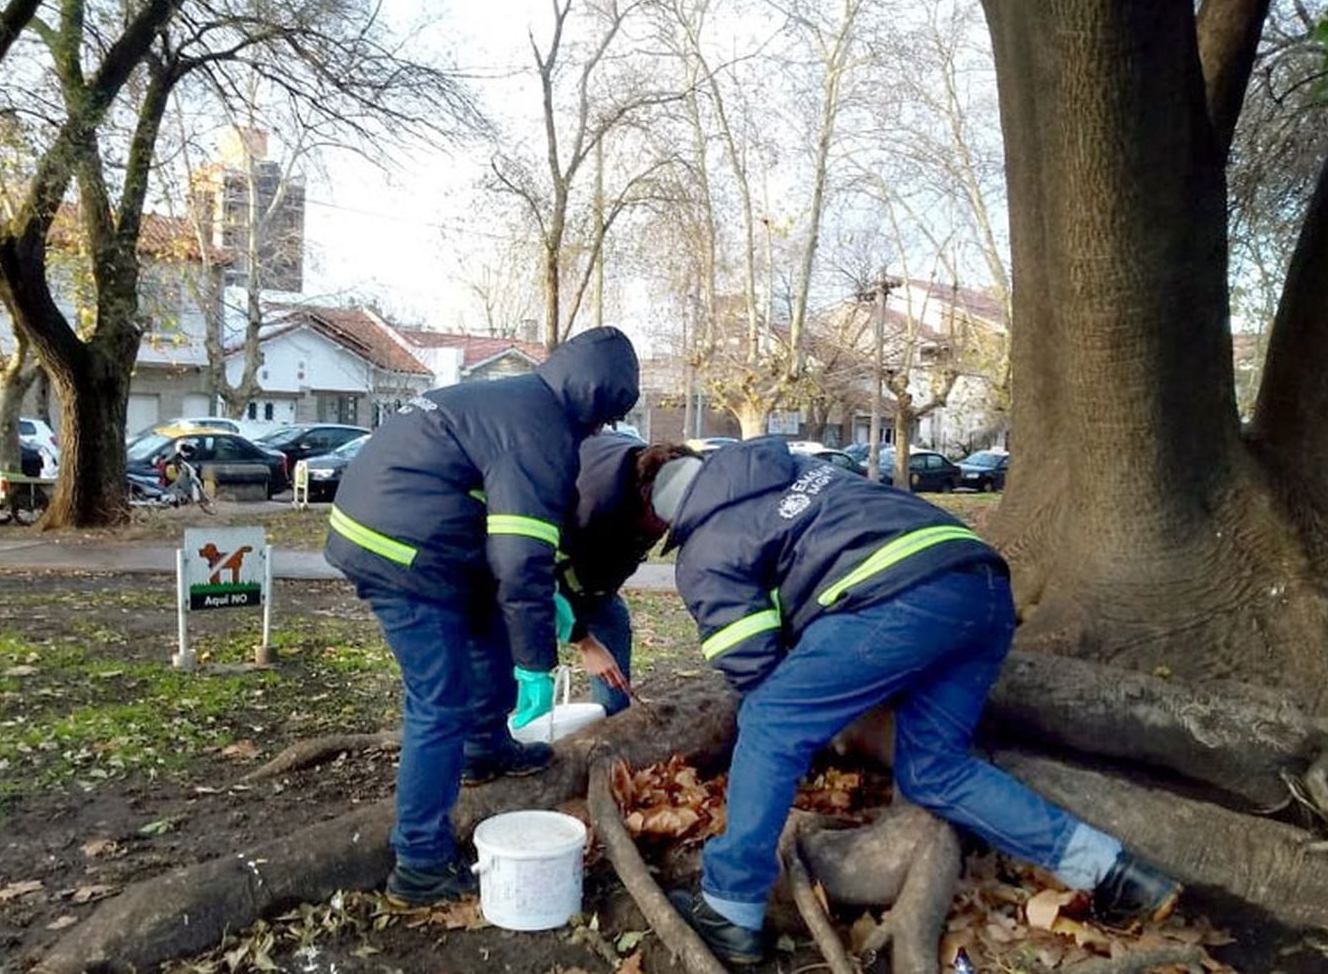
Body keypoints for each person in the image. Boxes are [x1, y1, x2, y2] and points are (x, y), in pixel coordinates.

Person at [649, 439, 1181, 965]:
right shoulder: (793, 469)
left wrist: (820, 706)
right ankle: (1114, 872)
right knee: (934, 770)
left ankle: (729, 905)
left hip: (897, 602)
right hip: (981, 587)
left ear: (678, 522)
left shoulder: (705, 550)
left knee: (768, 723)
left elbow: (752, 666)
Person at [323, 326, 640, 907]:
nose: (600, 431)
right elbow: (521, 562)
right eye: (605, 418)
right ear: (596, 402)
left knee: (486, 626)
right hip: (402, 552)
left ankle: (484, 746)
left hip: (418, 534)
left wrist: (570, 629)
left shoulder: (517, 399)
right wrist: (538, 665)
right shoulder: (540, 432)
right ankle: (419, 863)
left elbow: (521, 561)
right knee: (438, 700)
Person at [558, 434, 699, 714]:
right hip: (524, 576)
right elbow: (531, 575)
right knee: (513, 657)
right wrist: (584, 642)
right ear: (643, 497)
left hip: (594, 579)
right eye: (664, 521)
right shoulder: (589, 505)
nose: (665, 529)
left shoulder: (662, 473)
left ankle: (610, 724)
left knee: (612, 619)